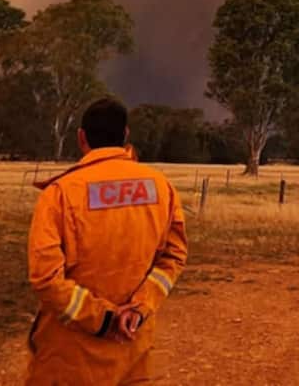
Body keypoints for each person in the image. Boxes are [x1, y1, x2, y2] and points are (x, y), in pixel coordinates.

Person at [26, 98, 188, 385]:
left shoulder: (60, 194)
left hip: (69, 358)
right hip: (132, 349)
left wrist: (104, 319)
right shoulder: (161, 187)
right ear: (125, 135)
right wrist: (139, 307)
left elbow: (46, 278)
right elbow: (173, 258)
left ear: (81, 138)